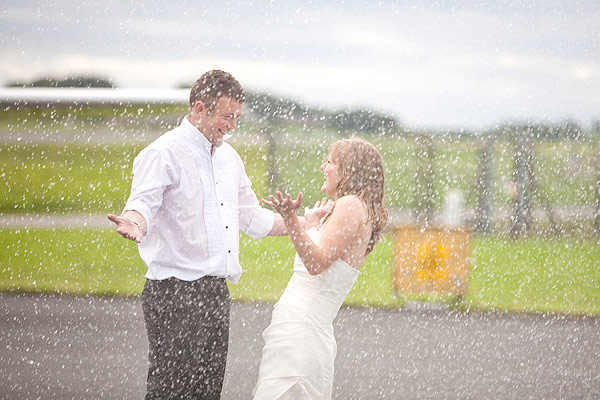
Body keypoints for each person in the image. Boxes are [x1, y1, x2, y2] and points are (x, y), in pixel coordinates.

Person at [107, 70, 299, 399]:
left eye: (237, 117)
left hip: (215, 293)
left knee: (207, 391)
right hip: (173, 293)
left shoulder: (230, 158)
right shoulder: (163, 152)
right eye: (227, 116)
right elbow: (142, 203)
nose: (233, 126)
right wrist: (135, 222)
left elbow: (252, 219)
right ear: (199, 109)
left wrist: (303, 223)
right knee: (171, 391)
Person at [252, 138, 388, 400]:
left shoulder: (350, 205)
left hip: (301, 333)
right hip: (300, 330)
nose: (323, 166)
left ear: (349, 170)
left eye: (330, 161)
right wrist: (311, 225)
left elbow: (316, 264)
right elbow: (327, 257)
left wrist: (292, 220)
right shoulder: (355, 208)